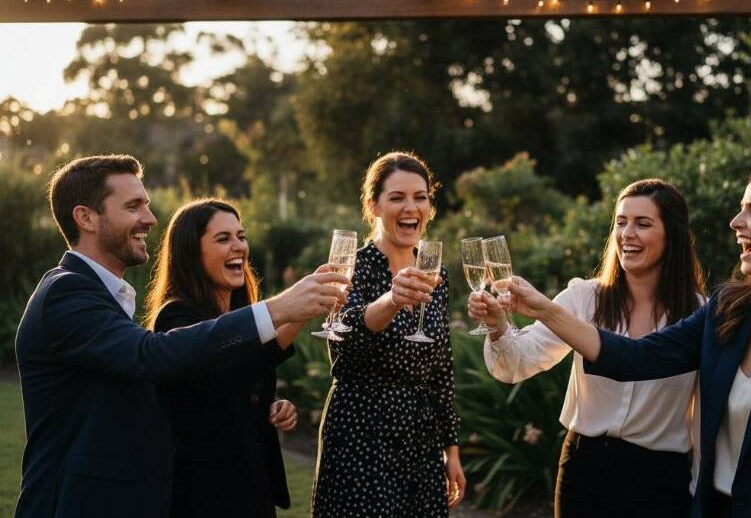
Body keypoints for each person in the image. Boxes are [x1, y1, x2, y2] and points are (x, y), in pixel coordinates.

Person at [502, 162, 751, 518]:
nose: (736, 222)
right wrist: (544, 309)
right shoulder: (727, 310)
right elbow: (638, 357)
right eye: (740, 209)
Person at [14, 155, 349, 518]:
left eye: (147, 204)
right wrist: (278, 308)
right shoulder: (67, 292)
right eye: (133, 206)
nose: (150, 218)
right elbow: (152, 355)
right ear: (86, 218)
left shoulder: (101, 294)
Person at [469, 179, 705, 518]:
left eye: (643, 223)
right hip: (585, 470)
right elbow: (519, 363)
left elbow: (703, 414)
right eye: (621, 222)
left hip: (660, 479)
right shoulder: (584, 298)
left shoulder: (699, 314)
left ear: (673, 235)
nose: (627, 234)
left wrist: (698, 488)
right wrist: (496, 326)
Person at [311, 151, 465, 518]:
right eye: (397, 197)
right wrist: (393, 300)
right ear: (373, 206)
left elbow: (440, 367)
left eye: (420, 197)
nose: (410, 207)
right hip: (362, 428)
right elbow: (344, 336)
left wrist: (452, 448)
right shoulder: (352, 265)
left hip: (420, 435)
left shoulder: (435, 274)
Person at [145, 199, 298, 518]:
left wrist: (272, 405)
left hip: (252, 487)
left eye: (241, 236)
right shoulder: (176, 318)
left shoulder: (239, 316)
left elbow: (242, 384)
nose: (238, 247)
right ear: (192, 252)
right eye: (223, 238)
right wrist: (298, 314)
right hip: (206, 494)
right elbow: (218, 379)